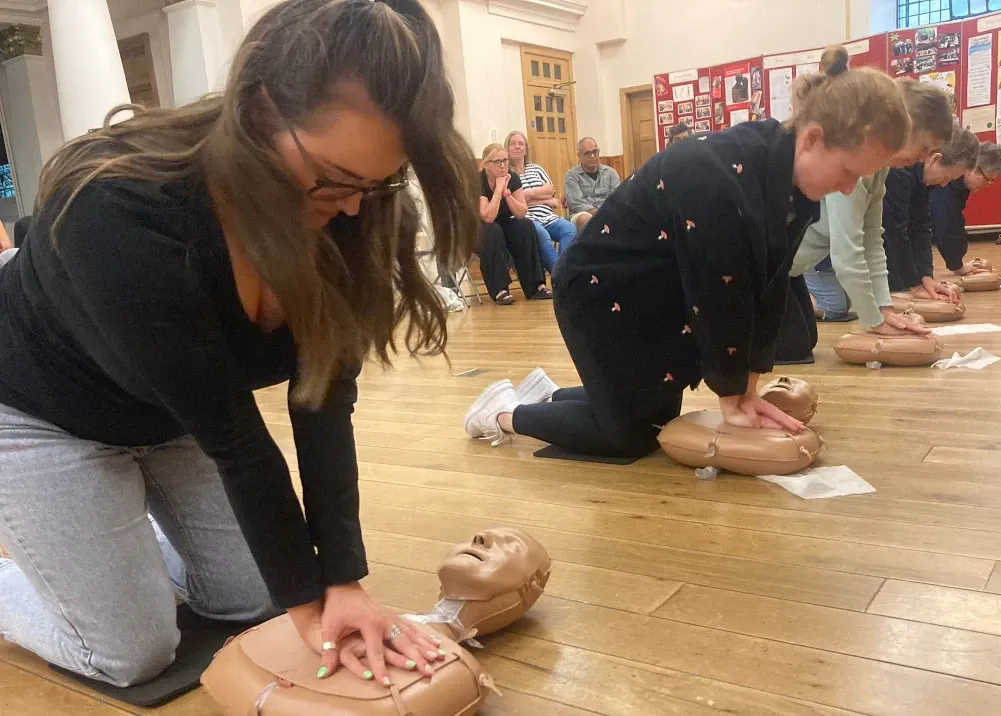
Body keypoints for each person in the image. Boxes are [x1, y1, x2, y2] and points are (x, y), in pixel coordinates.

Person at [0, 0, 478, 690]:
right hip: (37, 404)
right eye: (335, 179)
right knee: (130, 653)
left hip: (168, 415)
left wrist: (341, 581)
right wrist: (310, 603)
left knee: (256, 596)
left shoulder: (358, 212)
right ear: (259, 112)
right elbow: (238, 443)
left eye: (379, 183)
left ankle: (104, 542)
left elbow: (321, 407)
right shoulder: (120, 207)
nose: (352, 207)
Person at [462, 60, 911, 458]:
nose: (850, 188)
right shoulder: (724, 179)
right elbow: (721, 296)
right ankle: (503, 414)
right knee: (628, 436)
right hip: (599, 291)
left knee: (655, 419)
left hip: (654, 294)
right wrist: (734, 398)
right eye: (850, 172)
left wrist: (748, 389)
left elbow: (769, 288)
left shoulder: (787, 179)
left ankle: (549, 394)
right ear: (813, 138)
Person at [783, 48, 955, 351]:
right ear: (904, 127)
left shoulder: (878, 172)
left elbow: (873, 240)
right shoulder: (857, 168)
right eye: (924, 147)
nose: (923, 159)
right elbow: (847, 252)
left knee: (801, 343)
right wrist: (872, 319)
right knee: (791, 348)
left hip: (793, 266)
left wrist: (884, 309)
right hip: (776, 265)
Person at [883, 123, 981, 298]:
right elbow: (894, 231)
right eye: (946, 177)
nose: (944, 184)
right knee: (838, 305)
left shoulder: (923, 178)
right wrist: (912, 283)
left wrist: (925, 276)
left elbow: (921, 226)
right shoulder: (898, 171)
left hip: (882, 243)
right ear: (934, 159)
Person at [477, 143, 551, 304]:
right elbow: (487, 217)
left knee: (525, 225)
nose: (503, 165)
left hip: (503, 225)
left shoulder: (512, 177)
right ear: (485, 165)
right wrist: (497, 190)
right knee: (492, 230)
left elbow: (521, 212)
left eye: (505, 160)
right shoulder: (478, 180)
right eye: (497, 162)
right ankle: (500, 289)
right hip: (479, 230)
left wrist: (507, 194)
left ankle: (536, 286)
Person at [930, 141, 1001, 276]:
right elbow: (945, 223)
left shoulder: (961, 183)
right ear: (974, 167)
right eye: (987, 179)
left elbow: (954, 220)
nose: (987, 185)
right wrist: (957, 265)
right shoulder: (948, 179)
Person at [505, 130, 577, 274]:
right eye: (513, 144)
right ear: (507, 148)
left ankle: (563, 271)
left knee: (570, 229)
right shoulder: (506, 173)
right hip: (525, 220)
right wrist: (545, 200)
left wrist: (529, 194)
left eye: (521, 144)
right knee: (542, 234)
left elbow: (550, 189)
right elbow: (513, 202)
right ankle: (560, 275)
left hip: (549, 217)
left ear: (526, 149)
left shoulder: (536, 169)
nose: (517, 146)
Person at [564, 137, 621, 232]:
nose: (592, 156)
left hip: (608, 212)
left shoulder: (611, 173)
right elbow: (577, 204)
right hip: (582, 214)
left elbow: (617, 198)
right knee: (585, 219)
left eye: (595, 151)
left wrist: (608, 213)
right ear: (579, 155)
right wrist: (600, 215)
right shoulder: (571, 176)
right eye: (587, 153)